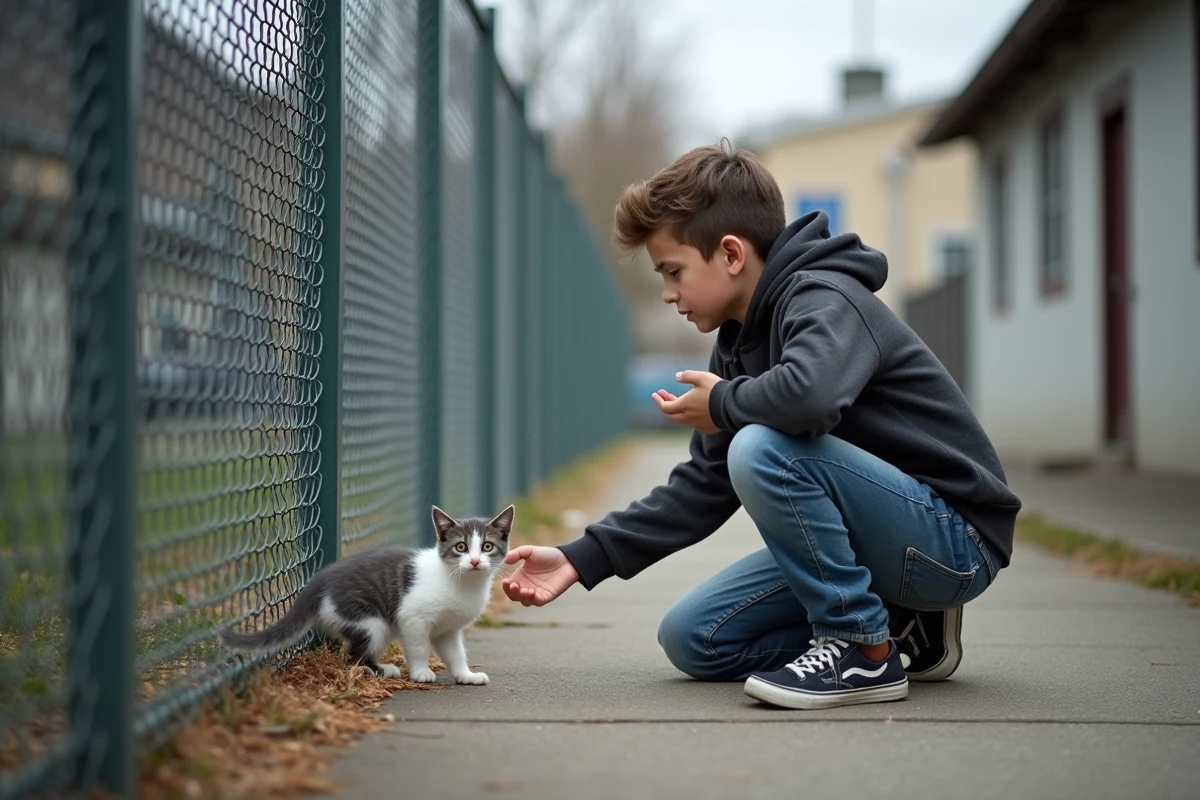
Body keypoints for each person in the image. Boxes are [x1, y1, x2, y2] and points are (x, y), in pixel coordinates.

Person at [502, 140, 1021, 710]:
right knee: (694, 638)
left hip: (953, 542)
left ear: (730, 253)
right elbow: (704, 485)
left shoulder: (827, 297)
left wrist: (725, 404)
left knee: (758, 446)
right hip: (883, 545)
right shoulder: (736, 345)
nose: (669, 293)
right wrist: (582, 557)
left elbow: (810, 397)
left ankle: (861, 650)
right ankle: (901, 626)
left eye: (673, 271)